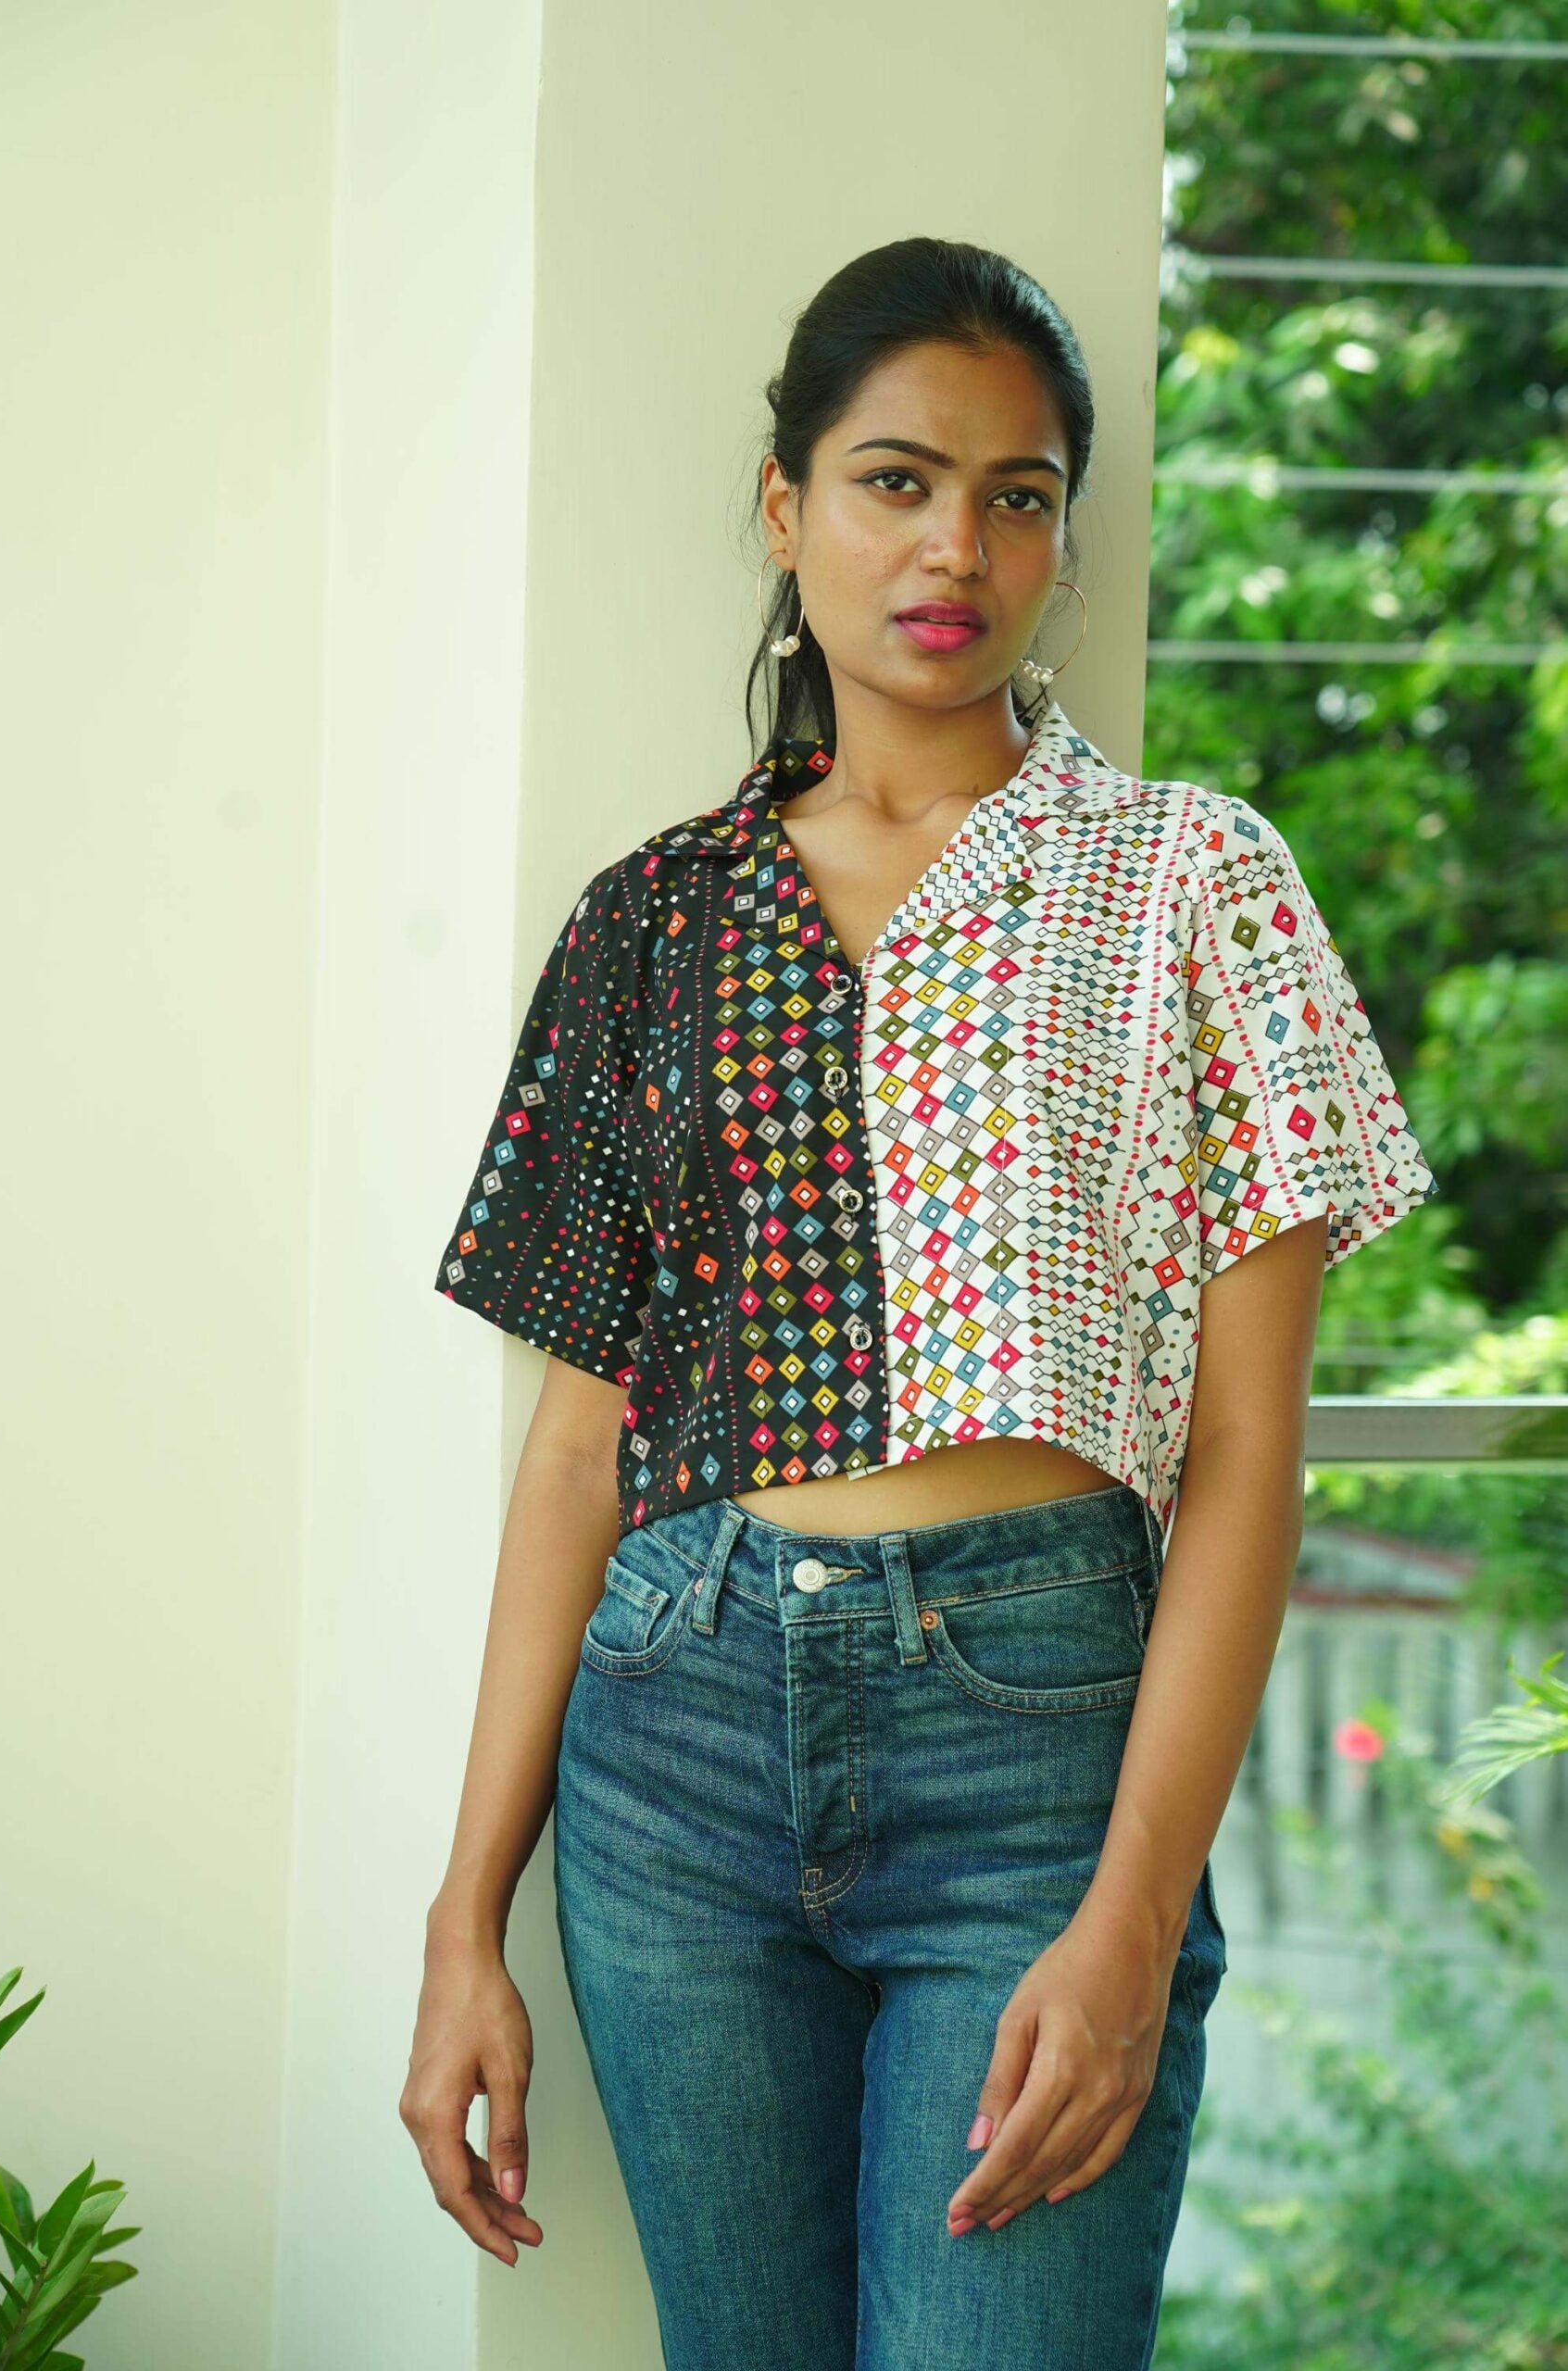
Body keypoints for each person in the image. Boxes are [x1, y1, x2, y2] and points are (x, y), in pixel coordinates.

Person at [399, 236, 1437, 2369]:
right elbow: (577, 1447)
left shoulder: (1189, 881)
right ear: (784, 513)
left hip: (1036, 1751)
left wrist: (1134, 1910)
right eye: (893, 479)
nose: (954, 542)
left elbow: (1248, 1448)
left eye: (1018, 491)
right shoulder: (650, 922)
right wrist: (458, 1919)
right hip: (667, 1757)